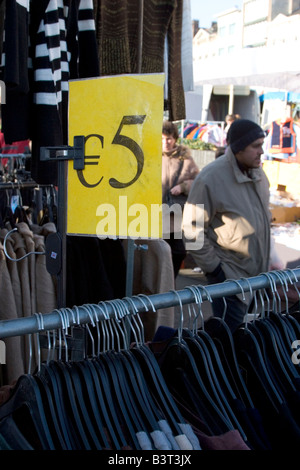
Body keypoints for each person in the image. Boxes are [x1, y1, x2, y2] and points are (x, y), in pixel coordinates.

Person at [182, 118, 280, 332]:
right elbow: (191, 230)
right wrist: (216, 271)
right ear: (238, 148)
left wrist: (271, 257)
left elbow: (262, 220)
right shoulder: (210, 178)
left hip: (258, 278)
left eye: (262, 145)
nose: (261, 151)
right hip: (231, 279)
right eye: (256, 146)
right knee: (230, 341)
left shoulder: (259, 175)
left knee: (250, 337)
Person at [162, 120, 199, 277]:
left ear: (175, 138)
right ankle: (161, 286)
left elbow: (198, 181)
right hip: (153, 213)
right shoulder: (151, 157)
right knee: (158, 253)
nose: (166, 142)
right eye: (162, 138)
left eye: (169, 138)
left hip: (175, 215)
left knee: (177, 252)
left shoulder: (186, 159)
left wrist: (183, 187)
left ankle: (171, 281)